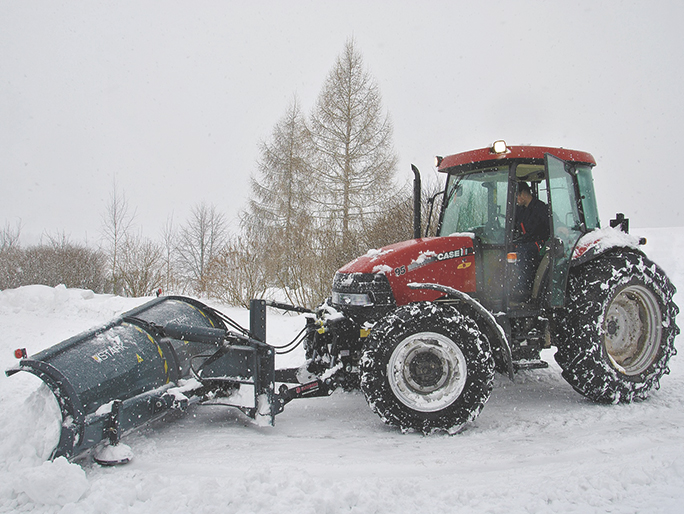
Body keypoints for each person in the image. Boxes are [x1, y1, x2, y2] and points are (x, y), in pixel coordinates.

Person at [513, 182, 550, 301]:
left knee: (524, 251)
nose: (516, 200)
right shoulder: (521, 210)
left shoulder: (540, 208)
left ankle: (525, 288)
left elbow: (552, 224)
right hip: (527, 241)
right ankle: (513, 284)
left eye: (517, 196)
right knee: (511, 248)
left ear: (523, 194)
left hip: (541, 242)